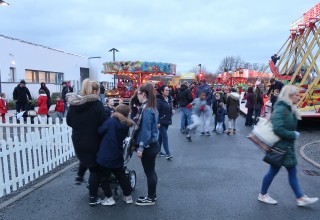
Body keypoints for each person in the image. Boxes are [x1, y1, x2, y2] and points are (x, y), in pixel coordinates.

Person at [258, 85, 319, 207]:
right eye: (296, 95)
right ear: (289, 96)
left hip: (285, 147)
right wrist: (293, 134)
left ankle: (299, 197)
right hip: (281, 147)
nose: (299, 96)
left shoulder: (288, 107)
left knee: (287, 172)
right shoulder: (282, 108)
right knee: (276, 172)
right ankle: (264, 194)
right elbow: (278, 128)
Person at [66, 79, 107, 207]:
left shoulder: (74, 104)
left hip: (78, 140)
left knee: (85, 158)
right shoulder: (97, 105)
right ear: (95, 91)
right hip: (94, 141)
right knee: (95, 170)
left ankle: (80, 176)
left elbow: (69, 122)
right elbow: (104, 122)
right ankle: (93, 198)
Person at [97, 104, 135, 206]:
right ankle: (128, 197)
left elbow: (100, 131)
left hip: (105, 154)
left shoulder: (111, 121)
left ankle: (109, 198)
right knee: (121, 176)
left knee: (103, 178)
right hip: (117, 153)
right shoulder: (126, 125)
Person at [135, 83, 160, 206]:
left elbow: (146, 132)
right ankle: (152, 195)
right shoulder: (153, 108)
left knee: (149, 173)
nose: (137, 95)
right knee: (152, 172)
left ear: (144, 94)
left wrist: (140, 148)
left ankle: (150, 198)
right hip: (154, 144)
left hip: (148, 146)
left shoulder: (146, 109)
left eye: (138, 93)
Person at [156, 85, 174, 159]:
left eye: (168, 90)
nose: (168, 91)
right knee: (165, 136)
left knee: (161, 136)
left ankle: (158, 151)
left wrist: (171, 111)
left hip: (167, 120)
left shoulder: (169, 99)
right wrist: (157, 122)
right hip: (161, 121)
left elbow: (169, 107)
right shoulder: (158, 100)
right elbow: (157, 111)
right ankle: (168, 153)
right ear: (162, 91)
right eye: (166, 90)